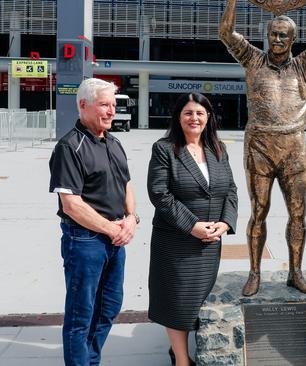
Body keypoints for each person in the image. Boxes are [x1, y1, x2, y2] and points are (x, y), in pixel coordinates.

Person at [219, 0, 306, 296]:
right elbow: (226, 33)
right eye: (274, 34)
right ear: (266, 36)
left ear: (293, 39)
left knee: (298, 213)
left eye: (284, 35)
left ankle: (295, 271)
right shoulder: (252, 60)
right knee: (259, 211)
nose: (278, 40)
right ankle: (254, 272)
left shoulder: (305, 65)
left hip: (294, 145)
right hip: (260, 145)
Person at [49, 78, 137, 366]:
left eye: (113, 105)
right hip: (84, 241)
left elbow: (126, 185)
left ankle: (90, 360)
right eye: (104, 105)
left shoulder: (114, 142)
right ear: (83, 105)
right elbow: (71, 205)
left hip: (114, 240)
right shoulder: (69, 147)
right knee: (80, 315)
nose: (111, 111)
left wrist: (131, 219)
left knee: (109, 307)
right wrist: (114, 229)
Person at [147, 92, 238, 366]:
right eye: (188, 113)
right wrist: (192, 226)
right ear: (178, 116)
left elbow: (230, 190)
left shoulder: (218, 148)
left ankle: (186, 350)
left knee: (198, 300)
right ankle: (182, 359)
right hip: (176, 240)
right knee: (177, 301)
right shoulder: (165, 149)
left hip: (210, 241)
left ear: (208, 117)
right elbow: (159, 194)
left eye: (199, 113)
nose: (194, 118)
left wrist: (225, 223)